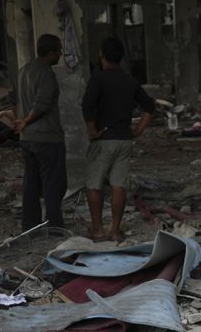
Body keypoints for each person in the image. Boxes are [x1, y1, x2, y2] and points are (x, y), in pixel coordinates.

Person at [81, 37, 155, 242]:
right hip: (124, 139)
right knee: (118, 185)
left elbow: (87, 106)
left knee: (94, 184)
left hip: (103, 139)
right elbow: (149, 107)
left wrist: (92, 130)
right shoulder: (129, 80)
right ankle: (115, 230)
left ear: (101, 55)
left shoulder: (97, 79)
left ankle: (97, 230)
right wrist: (138, 130)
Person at [14, 34, 67, 232]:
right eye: (59, 50)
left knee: (31, 184)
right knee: (54, 184)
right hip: (47, 137)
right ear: (51, 52)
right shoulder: (46, 73)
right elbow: (42, 104)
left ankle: (30, 226)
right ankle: (54, 227)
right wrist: (26, 120)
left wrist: (19, 122)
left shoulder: (23, 70)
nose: (61, 54)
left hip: (27, 138)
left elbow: (15, 99)